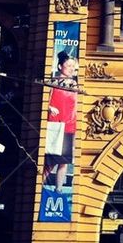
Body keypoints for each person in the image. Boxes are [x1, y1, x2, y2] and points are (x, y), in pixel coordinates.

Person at [44, 51, 78, 190]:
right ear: (60, 66)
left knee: (64, 161)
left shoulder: (75, 85)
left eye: (73, 66)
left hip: (70, 126)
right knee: (50, 161)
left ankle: (58, 190)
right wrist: (49, 107)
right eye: (68, 65)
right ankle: (40, 188)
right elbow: (44, 100)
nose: (71, 68)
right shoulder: (53, 82)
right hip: (55, 125)